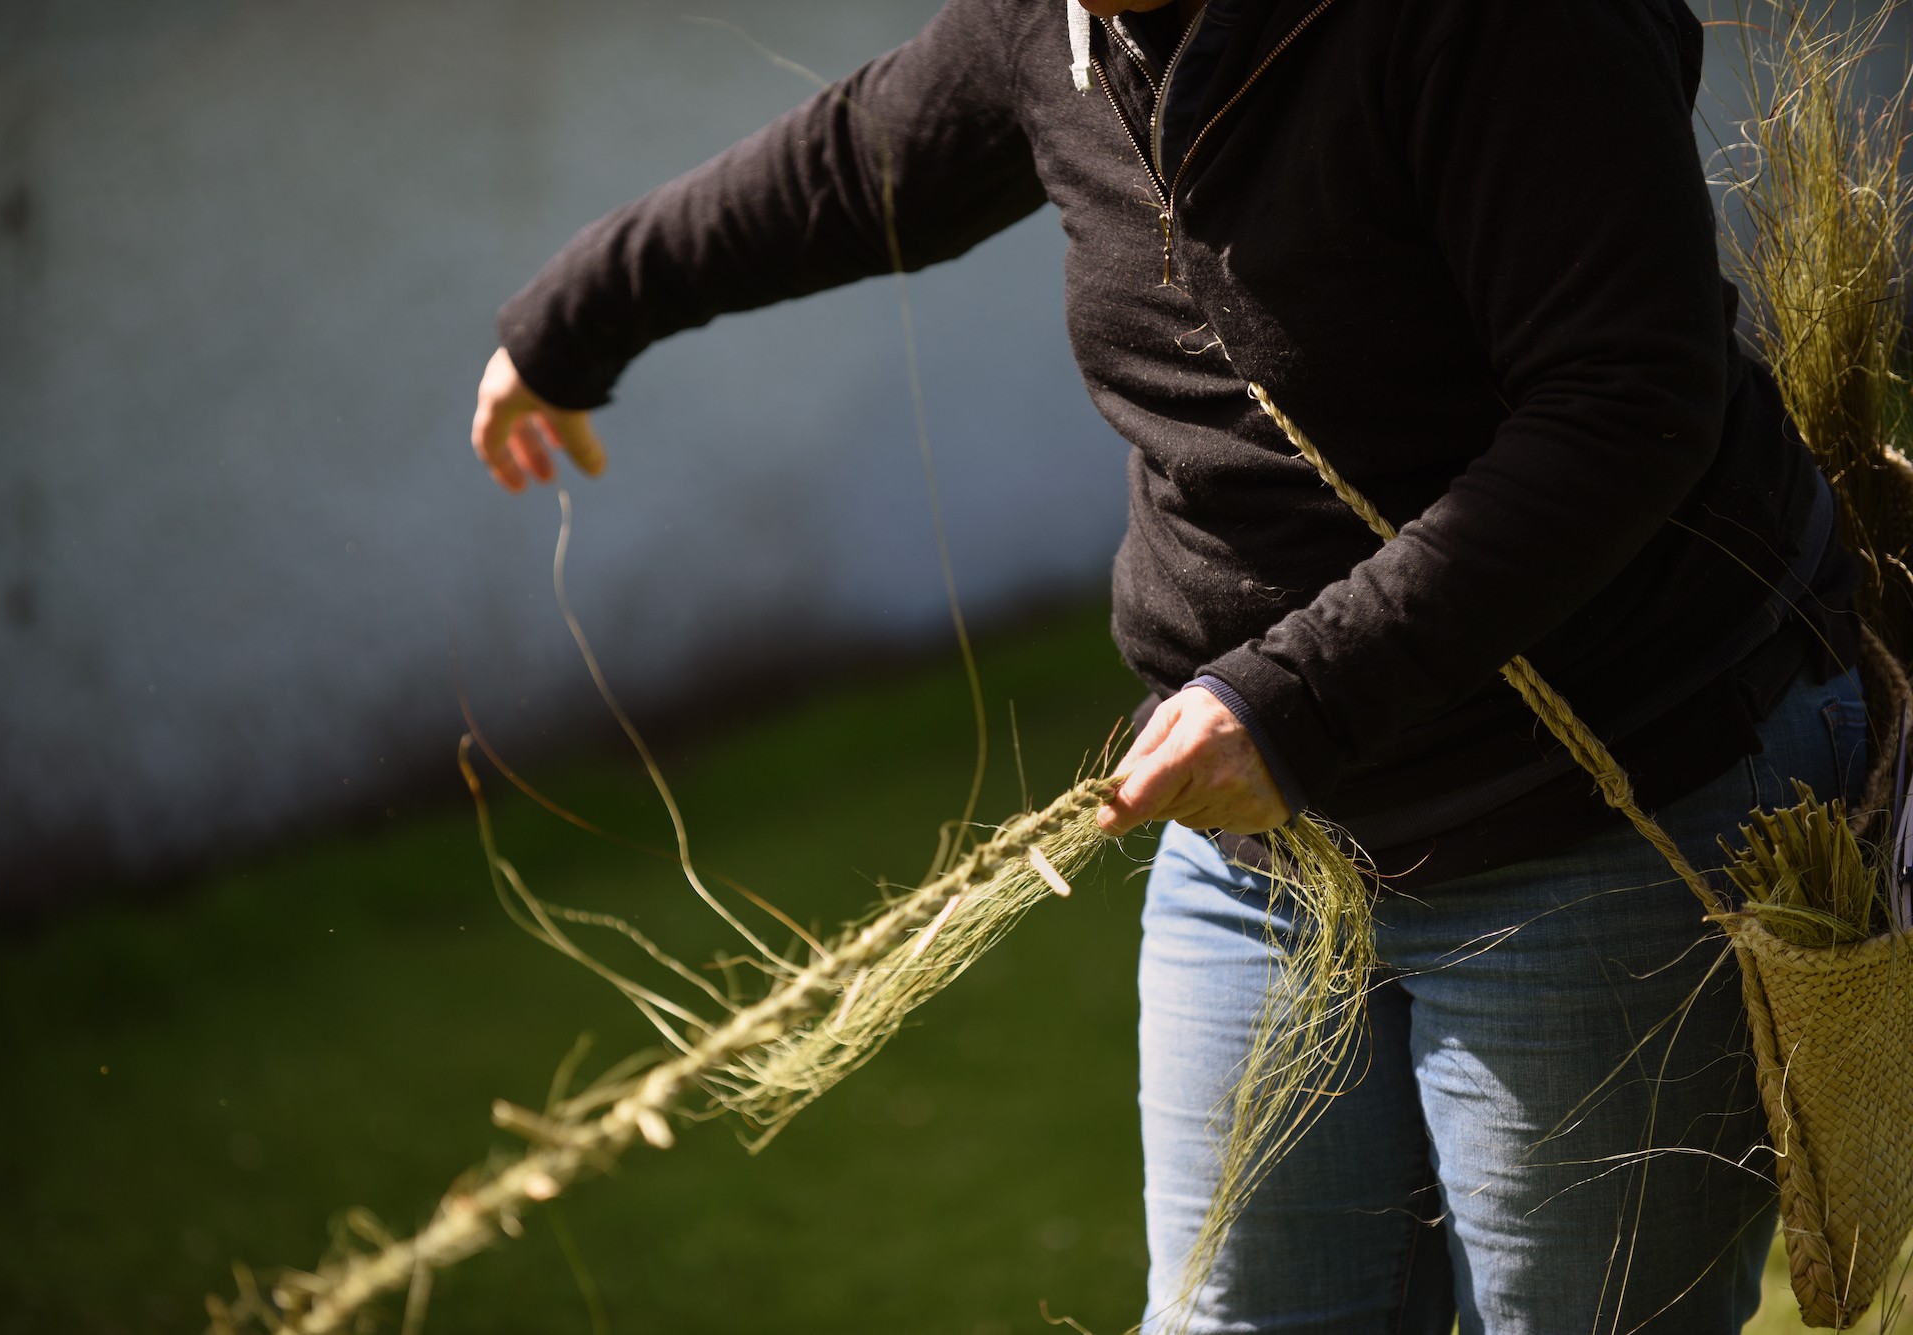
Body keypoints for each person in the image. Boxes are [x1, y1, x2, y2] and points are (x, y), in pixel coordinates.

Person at [469, 1, 1867, 1329]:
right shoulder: (1063, 28)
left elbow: (1627, 404)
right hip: (1266, 856)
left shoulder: (1493, 26)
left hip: (1600, 812)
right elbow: (857, 161)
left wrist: (1296, 695)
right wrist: (574, 316)